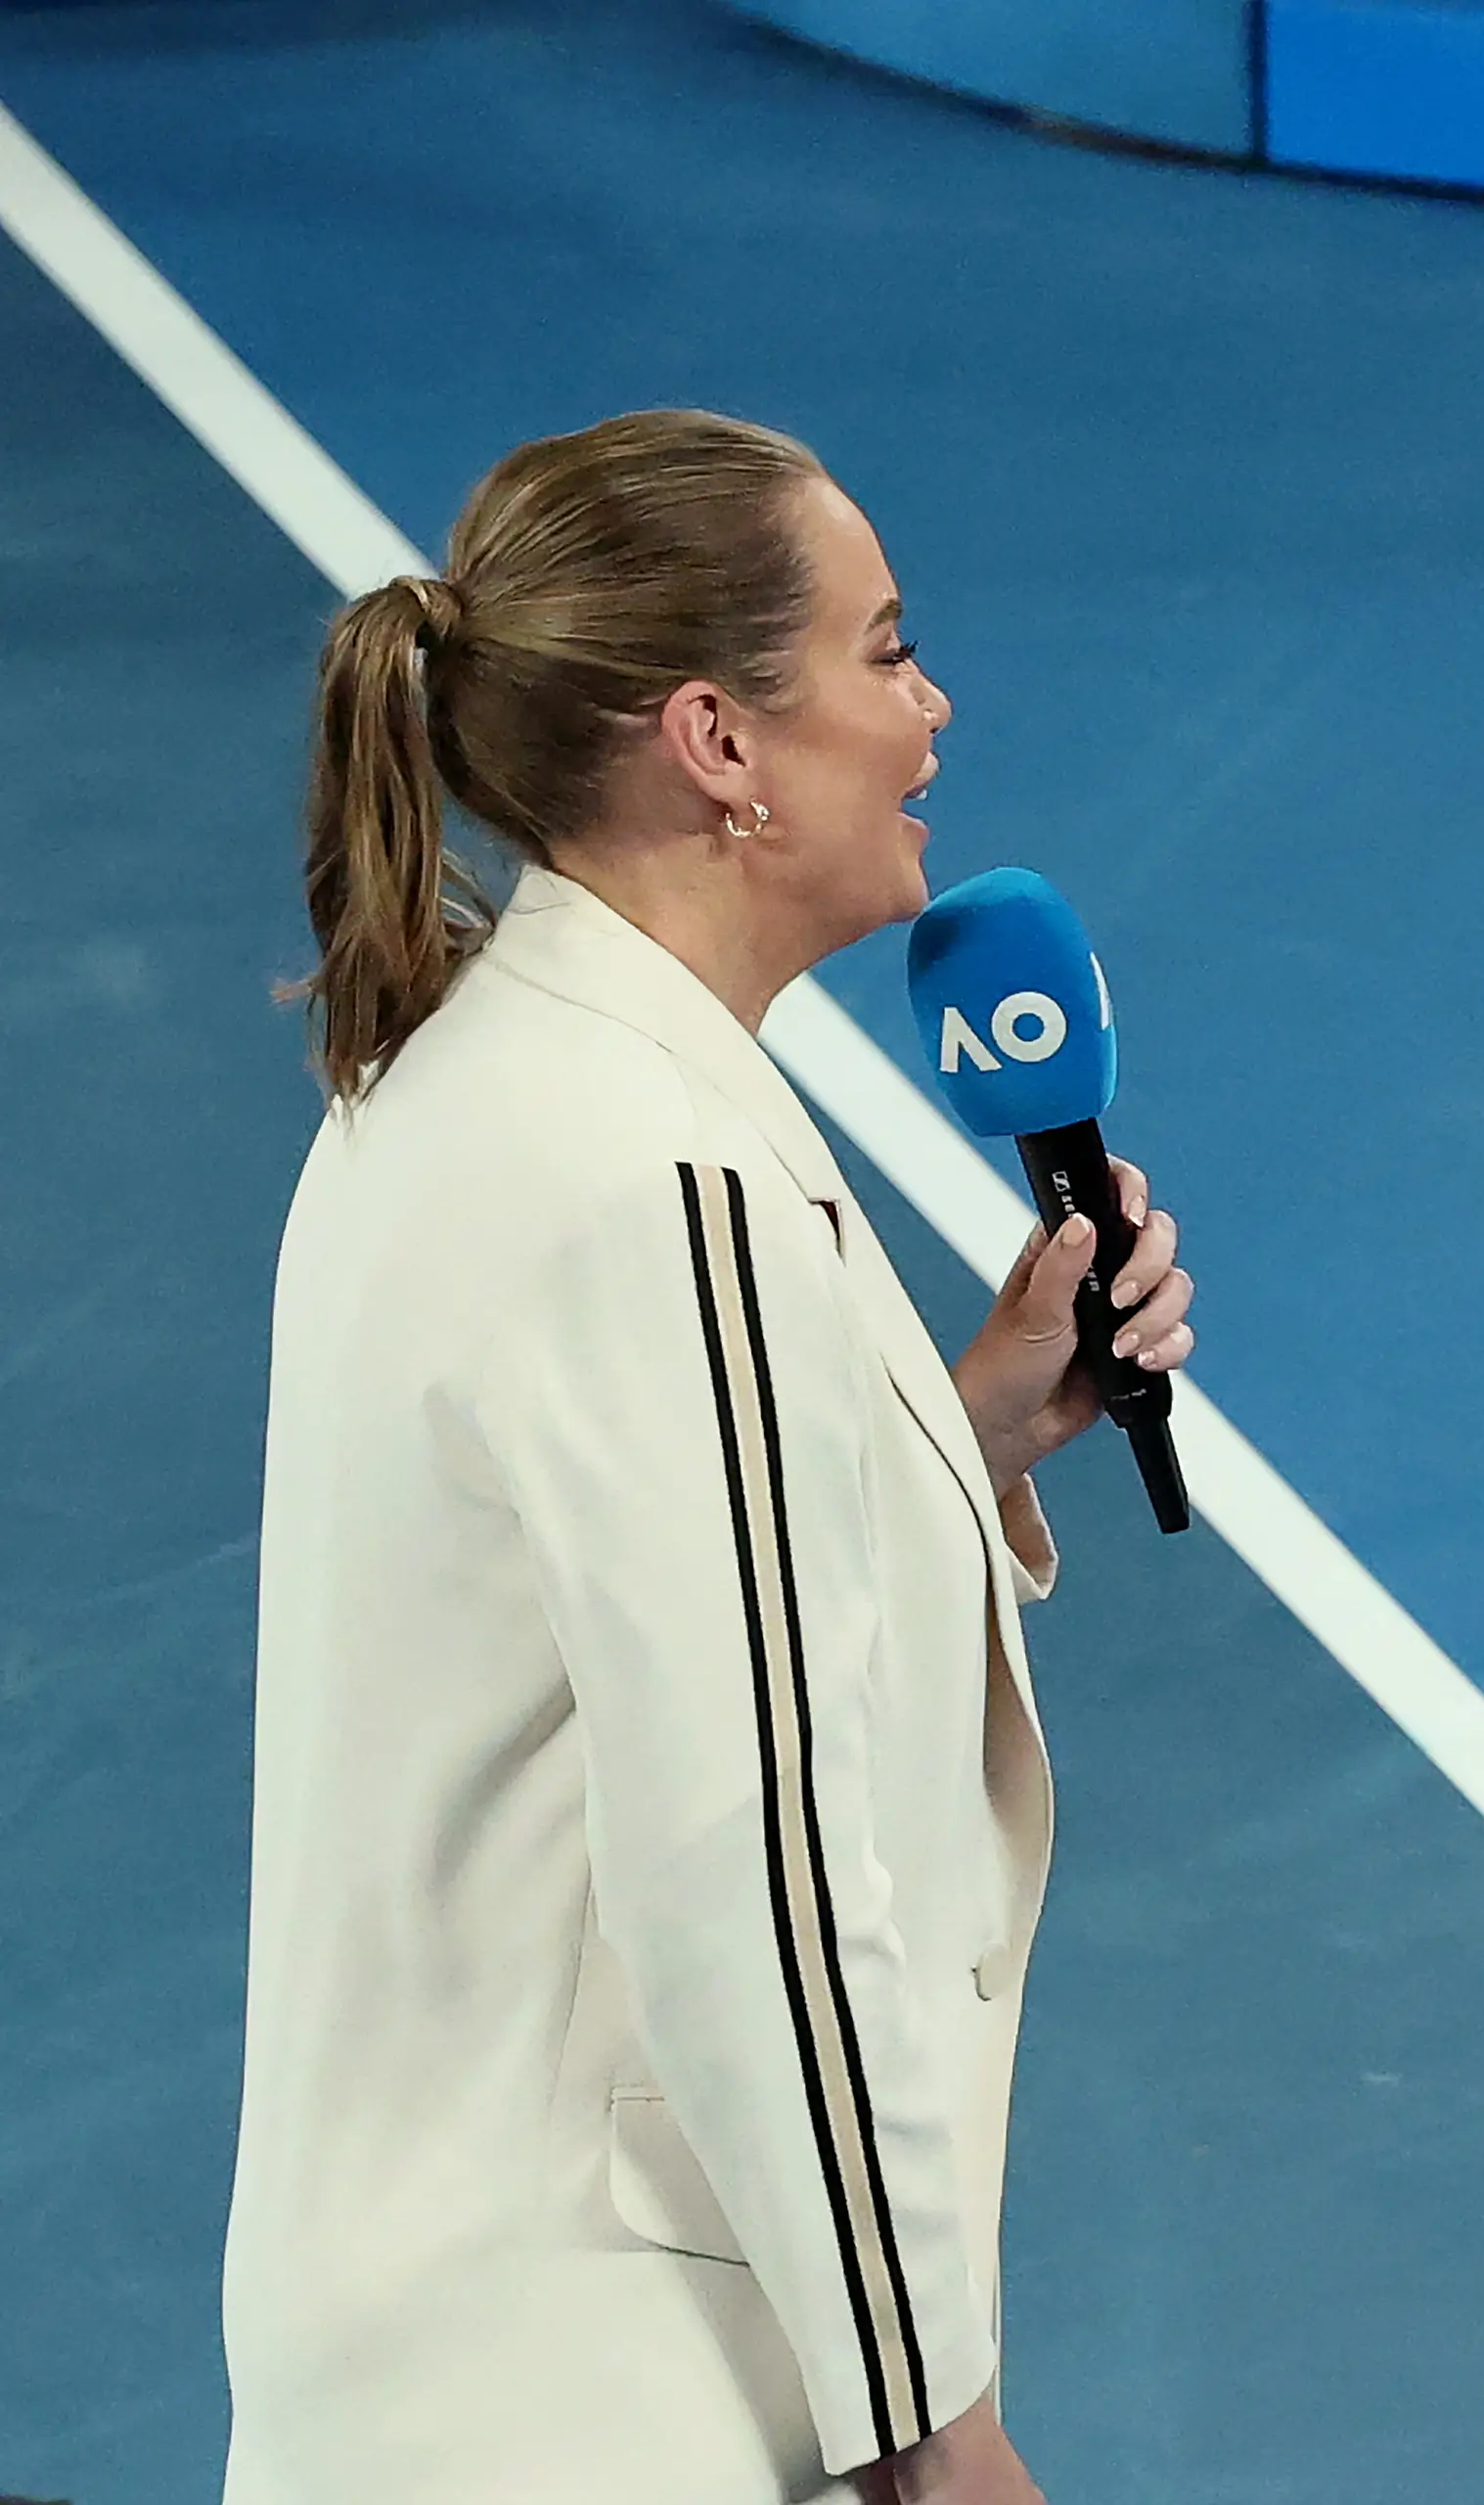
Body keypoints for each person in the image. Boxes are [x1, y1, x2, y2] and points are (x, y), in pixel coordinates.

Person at [229, 412, 1194, 2505]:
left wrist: (951, 1434)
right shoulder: (661, 1178)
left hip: (434, 2363)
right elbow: (750, 1855)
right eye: (882, 648)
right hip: (602, 2396)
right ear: (718, 742)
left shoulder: (475, 1085)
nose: (930, 708)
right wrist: (938, 2431)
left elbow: (618, 1607)